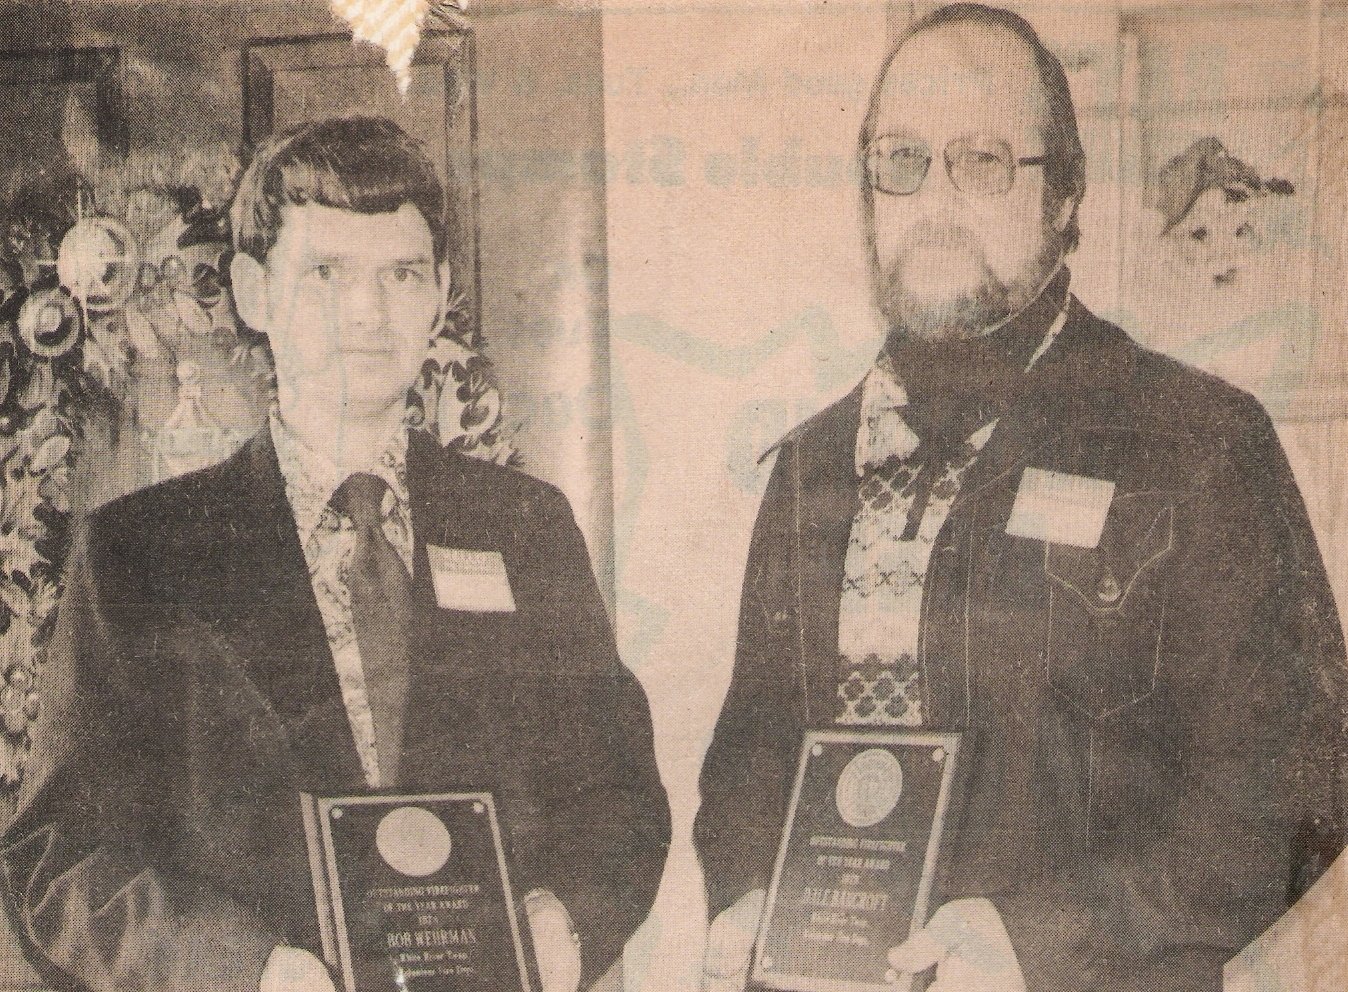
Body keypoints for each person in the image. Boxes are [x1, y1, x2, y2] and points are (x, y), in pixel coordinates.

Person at [693, 6, 1347, 992]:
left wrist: (1041, 941)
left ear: (1064, 195)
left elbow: (1300, 785)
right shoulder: (812, 466)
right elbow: (748, 763)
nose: (934, 200)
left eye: (984, 160)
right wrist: (750, 894)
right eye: (900, 160)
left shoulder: (1198, 440)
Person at [1, 116, 670, 992]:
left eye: (400, 274)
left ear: (437, 295)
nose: (367, 312)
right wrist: (248, 971)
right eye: (326, 273)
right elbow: (61, 859)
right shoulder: (139, 554)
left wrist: (565, 921)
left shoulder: (528, 528)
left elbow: (621, 799)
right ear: (252, 292)